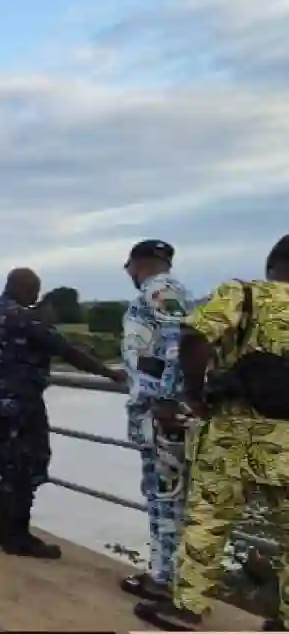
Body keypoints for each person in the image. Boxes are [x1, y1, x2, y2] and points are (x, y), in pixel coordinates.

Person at [135, 235, 289, 631]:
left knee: (207, 520)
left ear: (272, 264)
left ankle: (188, 610)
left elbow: (194, 335)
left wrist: (193, 393)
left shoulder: (246, 294)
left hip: (232, 435)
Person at [0, 267, 126, 559]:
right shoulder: (25, 318)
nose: (35, 298)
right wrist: (109, 372)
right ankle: (18, 537)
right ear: (24, 288)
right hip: (23, 403)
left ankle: (2, 529)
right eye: (34, 292)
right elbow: (67, 351)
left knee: (5, 465)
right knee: (27, 466)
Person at [117, 239, 195, 603]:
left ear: (138, 263)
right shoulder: (161, 292)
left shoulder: (162, 290)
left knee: (167, 497)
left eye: (128, 267)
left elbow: (179, 341)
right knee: (160, 494)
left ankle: (167, 581)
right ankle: (162, 572)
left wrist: (167, 398)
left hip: (163, 415)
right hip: (153, 414)